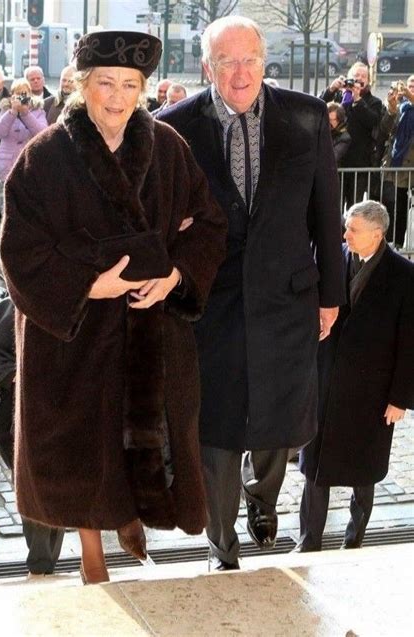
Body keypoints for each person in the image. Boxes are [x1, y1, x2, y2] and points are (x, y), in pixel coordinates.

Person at [0, 30, 227, 585]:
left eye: (130, 85)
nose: (118, 96)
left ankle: (130, 516)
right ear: (80, 85)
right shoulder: (44, 157)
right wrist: (87, 285)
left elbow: (210, 225)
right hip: (75, 339)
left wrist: (174, 275)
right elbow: (20, 252)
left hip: (152, 329)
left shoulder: (169, 146)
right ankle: (91, 554)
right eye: (106, 83)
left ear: (144, 89)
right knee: (86, 448)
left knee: (144, 440)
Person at [158, 16, 345, 571]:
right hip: (210, 307)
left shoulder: (307, 118)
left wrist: (332, 295)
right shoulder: (173, 127)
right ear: (207, 66)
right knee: (215, 426)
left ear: (265, 61)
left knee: (278, 421)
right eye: (226, 61)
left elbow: (324, 213)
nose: (240, 74)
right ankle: (222, 547)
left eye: (250, 60)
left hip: (289, 302)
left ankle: (262, 499)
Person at [296, 200, 414, 552]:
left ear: (377, 234)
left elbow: (410, 342)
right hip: (326, 384)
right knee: (313, 471)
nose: (344, 235)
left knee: (364, 474)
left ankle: (354, 542)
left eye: (352, 230)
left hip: (372, 393)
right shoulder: (335, 260)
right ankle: (308, 542)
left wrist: (399, 399)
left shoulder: (405, 275)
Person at [0, 297, 65, 576]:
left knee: (42, 485)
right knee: (37, 485)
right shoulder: (16, 305)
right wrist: (11, 373)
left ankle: (43, 562)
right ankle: (43, 561)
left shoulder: (66, 301)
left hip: (50, 411)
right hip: (22, 413)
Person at [320, 62, 383, 207]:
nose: (359, 79)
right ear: (348, 77)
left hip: (358, 164)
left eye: (363, 76)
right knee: (333, 208)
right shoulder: (337, 96)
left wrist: (358, 99)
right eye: (356, 76)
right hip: (335, 163)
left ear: (368, 80)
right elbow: (318, 106)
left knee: (354, 208)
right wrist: (331, 89)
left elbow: (373, 121)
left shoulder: (374, 102)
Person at [379, 75, 414, 248]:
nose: (411, 88)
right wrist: (392, 107)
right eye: (409, 85)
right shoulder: (401, 107)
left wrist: (411, 97)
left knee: (402, 207)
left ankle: (399, 244)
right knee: (393, 206)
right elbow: (385, 129)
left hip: (410, 166)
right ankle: (392, 243)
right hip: (397, 164)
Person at [0, 79, 47, 182]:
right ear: (12, 95)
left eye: (24, 93)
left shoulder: (38, 111)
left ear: (30, 94)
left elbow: (42, 134)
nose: (21, 96)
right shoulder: (5, 110)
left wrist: (26, 113)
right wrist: (12, 113)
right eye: (18, 93)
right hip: (6, 164)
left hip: (28, 163)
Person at [327, 102, 351, 166]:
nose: (329, 122)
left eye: (332, 120)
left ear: (339, 120)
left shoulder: (345, 137)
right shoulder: (322, 131)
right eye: (327, 119)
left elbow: (332, 157)